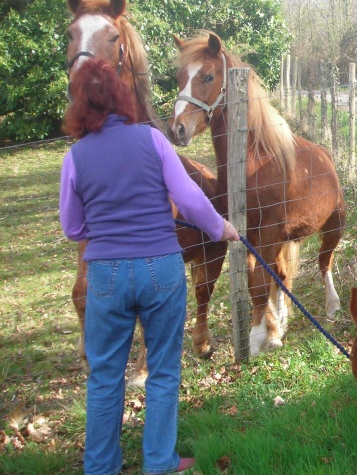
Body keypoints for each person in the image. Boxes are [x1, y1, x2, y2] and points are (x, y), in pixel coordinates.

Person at [59, 58, 239, 475]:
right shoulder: (153, 141)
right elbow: (192, 201)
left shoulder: (76, 156)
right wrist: (220, 228)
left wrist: (103, 224)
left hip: (105, 275)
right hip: (161, 269)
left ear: (80, 105)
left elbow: (72, 227)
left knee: (105, 377)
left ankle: (101, 466)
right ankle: (159, 461)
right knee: (162, 370)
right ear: (122, 98)